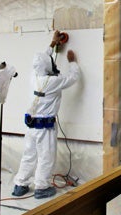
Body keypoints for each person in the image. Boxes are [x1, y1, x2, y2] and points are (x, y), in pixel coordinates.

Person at [12, 30, 81, 199]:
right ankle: (42, 187)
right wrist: (72, 62)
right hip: (46, 128)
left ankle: (20, 184)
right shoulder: (54, 81)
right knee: (46, 157)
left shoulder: (34, 76)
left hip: (31, 126)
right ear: (48, 66)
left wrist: (52, 43)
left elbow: (41, 60)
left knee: (29, 155)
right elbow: (73, 77)